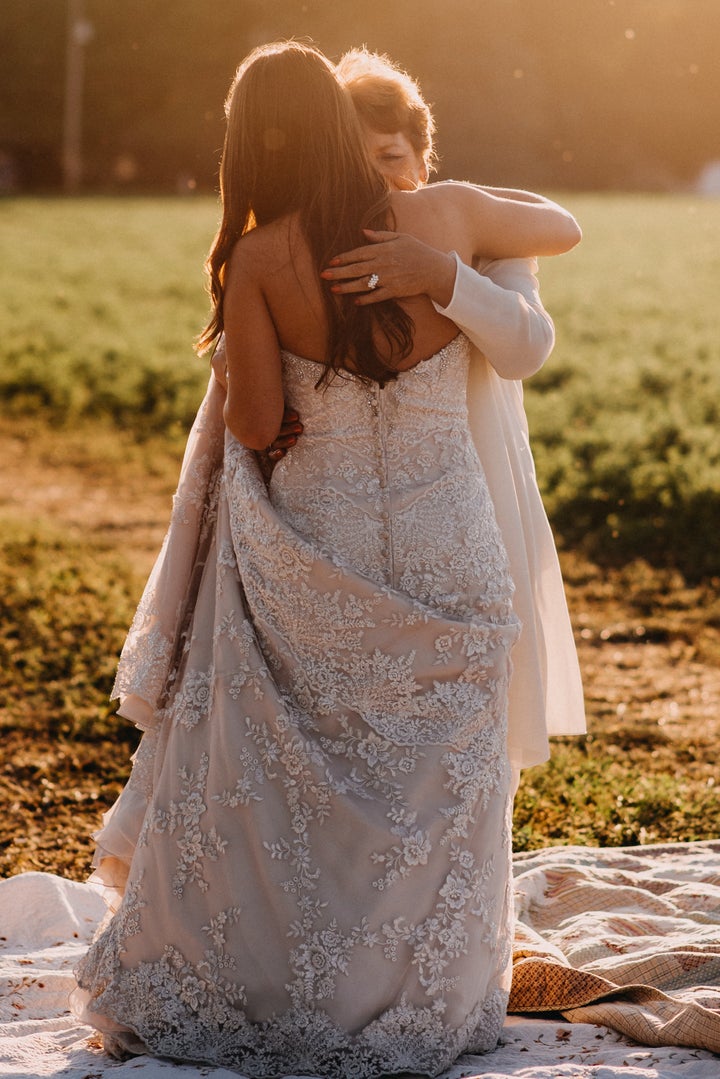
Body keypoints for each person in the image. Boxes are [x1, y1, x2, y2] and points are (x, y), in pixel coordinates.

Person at [72, 41, 581, 1076]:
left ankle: (307, 975)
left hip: (323, 562)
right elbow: (561, 225)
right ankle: (432, 997)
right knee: (441, 780)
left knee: (314, 778)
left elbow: (258, 425)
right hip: (455, 555)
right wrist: (442, 267)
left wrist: (244, 334)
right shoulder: (448, 213)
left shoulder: (261, 258)